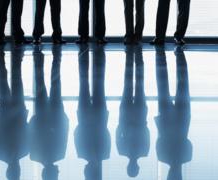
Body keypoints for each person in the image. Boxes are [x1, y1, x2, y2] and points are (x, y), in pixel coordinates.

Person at [29, 45, 69, 180]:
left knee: (56, 83)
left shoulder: (60, 154)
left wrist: (62, 117)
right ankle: (38, 57)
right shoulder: (34, 154)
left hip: (56, 114)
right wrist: (35, 119)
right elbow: (32, 132)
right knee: (40, 83)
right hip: (42, 115)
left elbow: (64, 131)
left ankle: (56, 58)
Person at [154, 46, 193, 180]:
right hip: (165, 121)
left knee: (183, 83)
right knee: (162, 85)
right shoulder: (162, 157)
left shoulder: (187, 157)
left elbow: (188, 143)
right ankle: (161, 57)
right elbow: (159, 142)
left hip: (182, 120)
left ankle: (179, 56)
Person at [74, 45, 111, 180]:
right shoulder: (81, 153)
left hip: (99, 117)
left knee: (98, 82)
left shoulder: (105, 154)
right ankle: (86, 55)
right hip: (85, 117)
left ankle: (97, 54)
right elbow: (77, 133)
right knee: (84, 82)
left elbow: (106, 134)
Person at [0, 46, 29, 180]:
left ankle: (9, 58)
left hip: (14, 112)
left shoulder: (25, 151)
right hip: (9, 113)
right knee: (6, 82)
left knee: (14, 81)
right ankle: (1, 59)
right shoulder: (1, 154)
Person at [116, 45, 150, 177]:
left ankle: (136, 57)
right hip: (126, 117)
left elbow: (146, 134)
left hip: (140, 117)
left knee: (139, 84)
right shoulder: (122, 150)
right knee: (128, 83)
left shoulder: (144, 151)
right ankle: (131, 58)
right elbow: (118, 132)